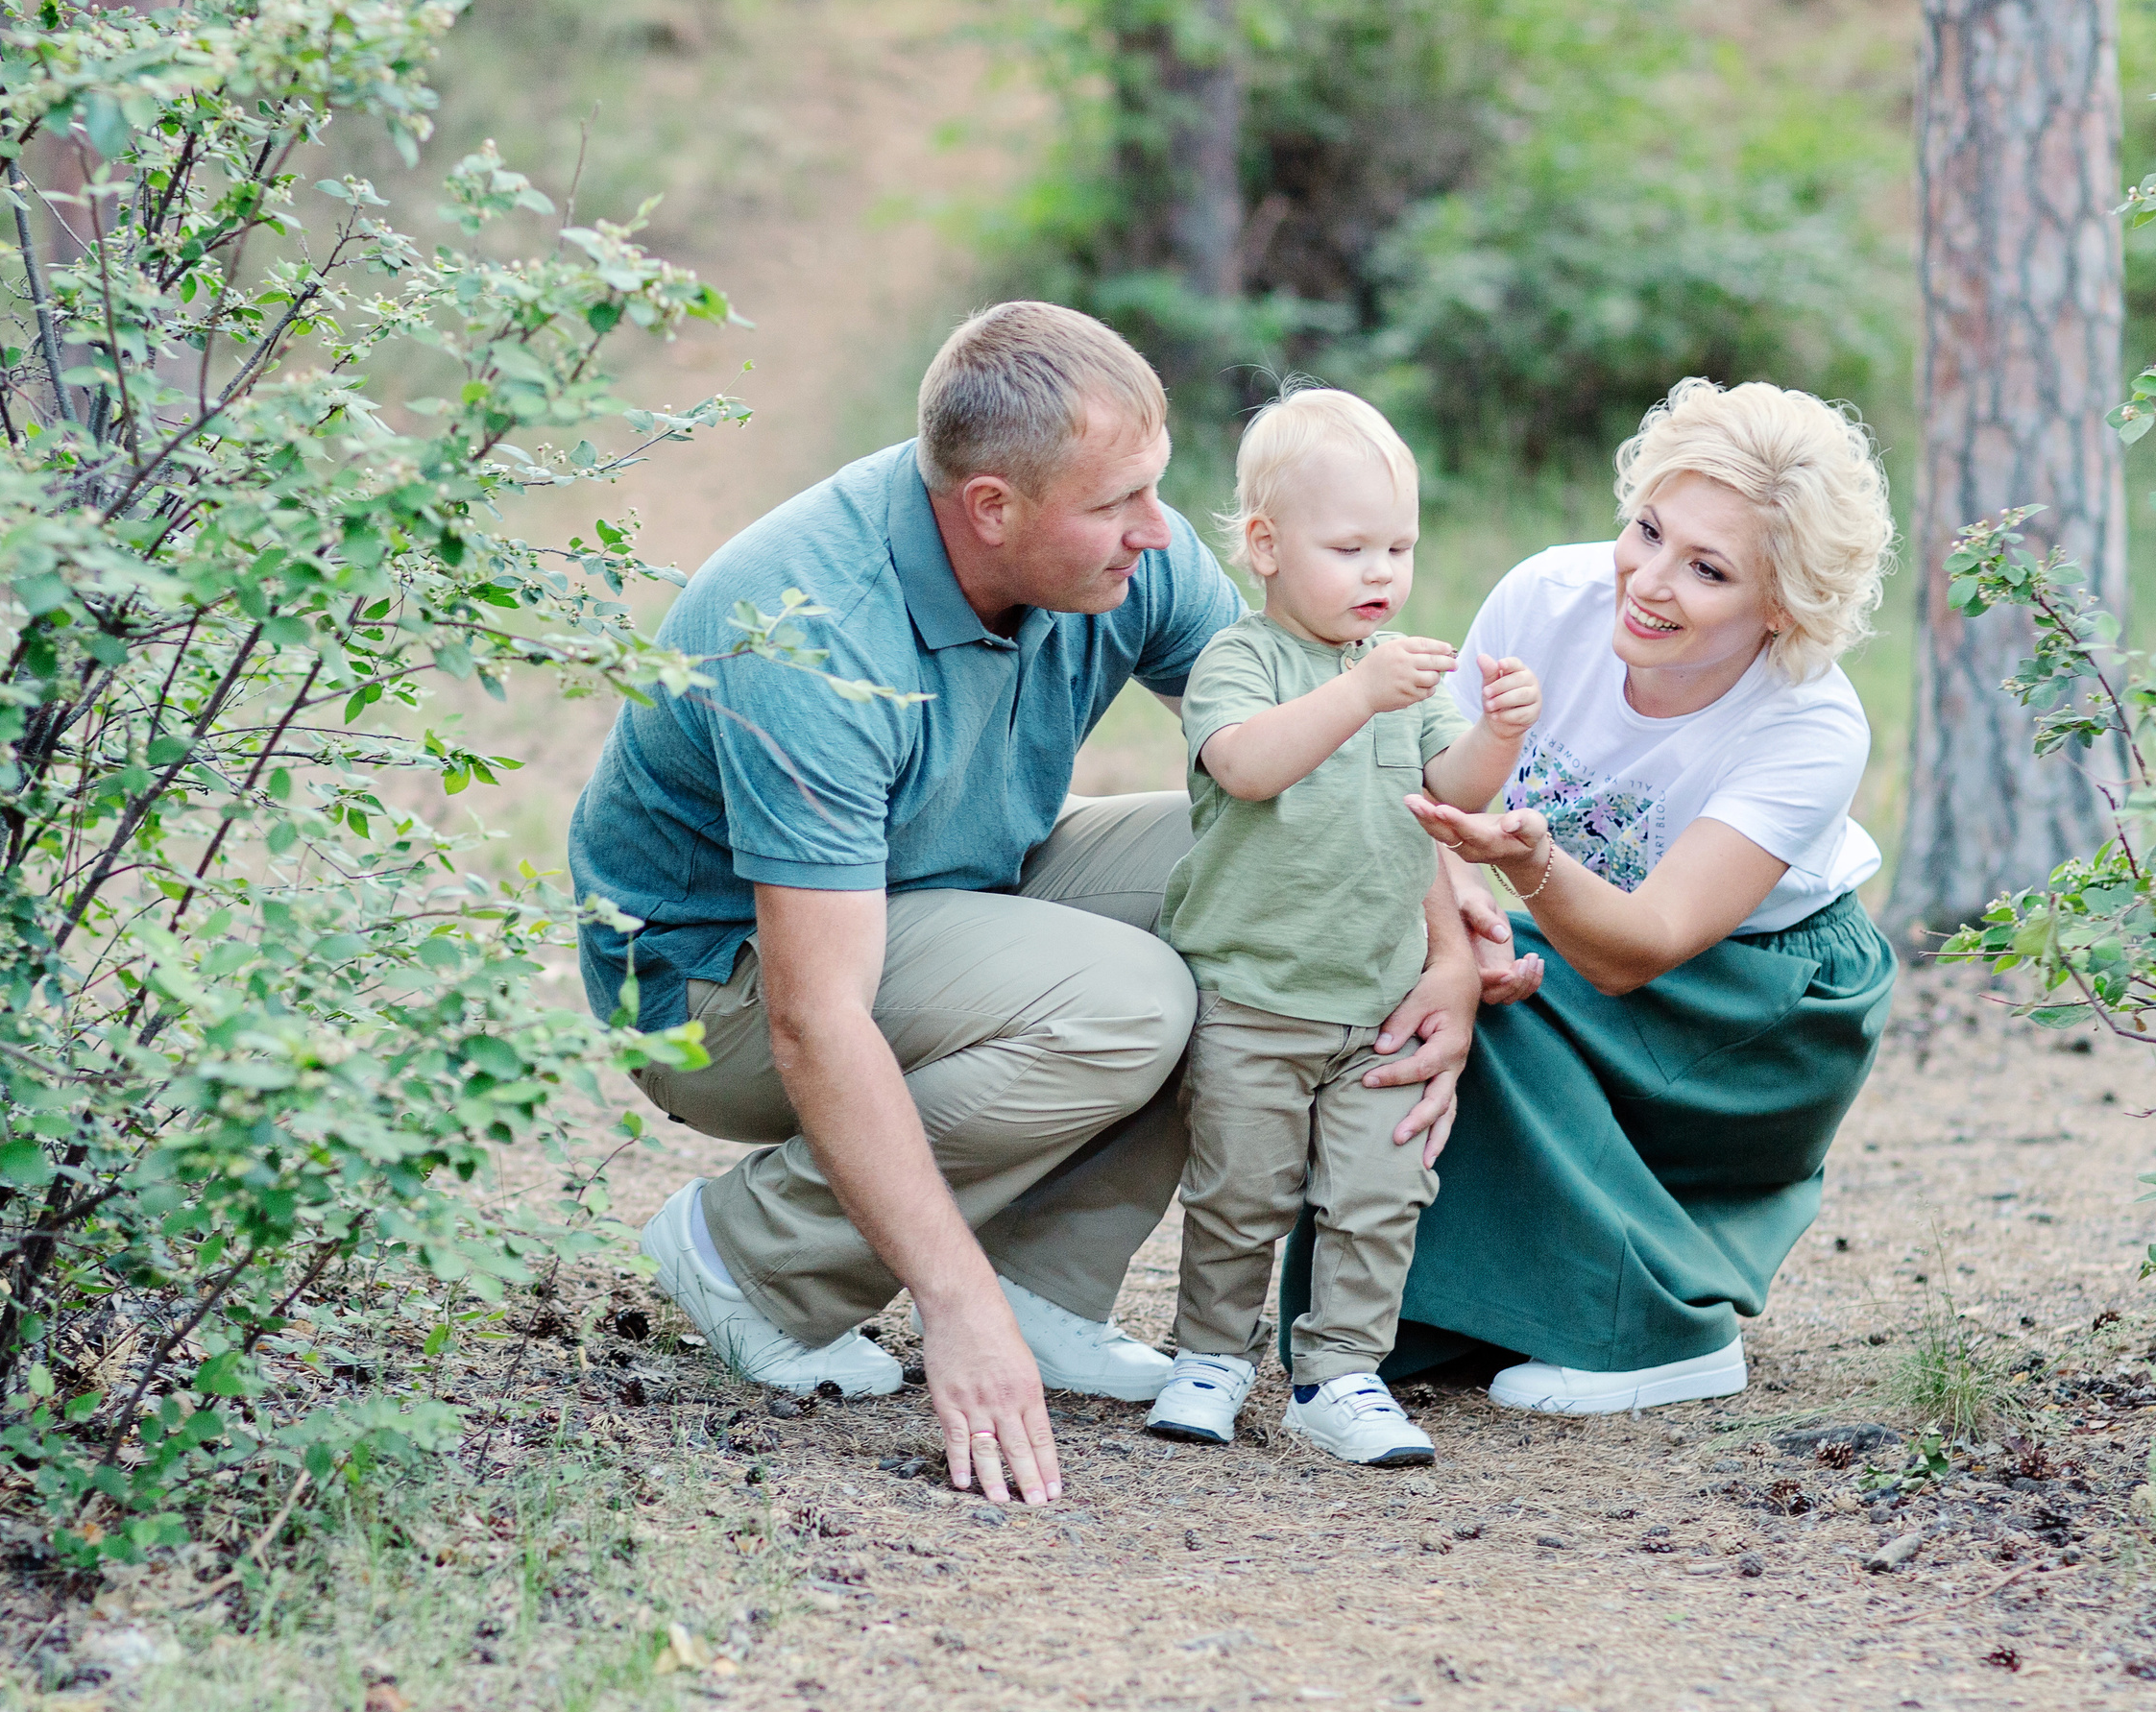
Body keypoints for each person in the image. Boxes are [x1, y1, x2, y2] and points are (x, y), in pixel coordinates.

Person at [567, 303, 1482, 1507]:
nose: (1158, 532)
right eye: (1118, 504)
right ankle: (755, 1258)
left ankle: (1048, 1283)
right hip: (718, 991)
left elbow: (1315, 768)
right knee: (1129, 1001)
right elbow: (815, 1018)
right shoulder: (811, 633)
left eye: (1155, 488)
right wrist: (954, 1313)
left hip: (936, 897)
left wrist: (1446, 939)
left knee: (1266, 881)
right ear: (992, 506)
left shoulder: (1121, 553)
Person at [1278, 376, 1899, 1413]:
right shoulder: (1545, 599)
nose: (1649, 582)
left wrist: (1517, 873)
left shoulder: (1809, 725)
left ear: (1782, 602)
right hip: (1571, 939)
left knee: (1509, 1009)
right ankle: (1432, 1307)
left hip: (1758, 1004)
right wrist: (1447, 953)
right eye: (1648, 531)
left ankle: (1657, 1332)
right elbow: (1418, 792)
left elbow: (1638, 946)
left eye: (1707, 569)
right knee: (1398, 983)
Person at [1137, 390, 1538, 1466]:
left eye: (1399, 547)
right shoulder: (1242, 660)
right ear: (1265, 548)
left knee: (1377, 1195)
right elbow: (1245, 765)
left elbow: (1449, 790)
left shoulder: (1403, 680)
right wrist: (1361, 692)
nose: (1381, 573)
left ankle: (1339, 1374)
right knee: (1239, 1191)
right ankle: (1211, 1358)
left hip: (1376, 1001)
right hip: (1253, 996)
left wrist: (1496, 738)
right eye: (1350, 546)